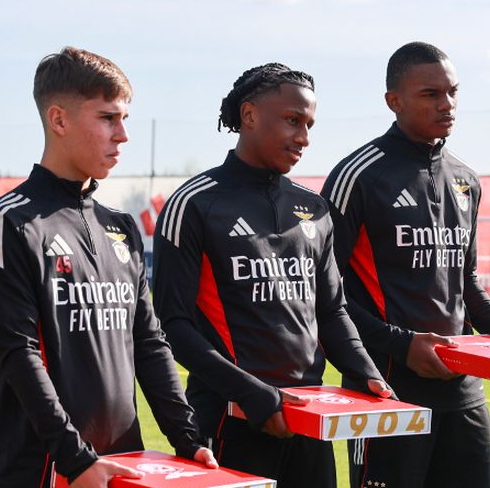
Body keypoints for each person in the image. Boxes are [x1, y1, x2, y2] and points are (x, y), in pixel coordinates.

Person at [0, 47, 217, 487]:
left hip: (122, 467)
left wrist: (188, 436)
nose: (122, 135)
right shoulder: (9, 223)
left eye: (125, 119)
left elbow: (149, 343)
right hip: (48, 469)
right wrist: (75, 459)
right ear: (59, 120)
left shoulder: (119, 227)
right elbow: (19, 355)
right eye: (107, 118)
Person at [152, 63, 391, 488]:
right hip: (230, 417)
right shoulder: (194, 203)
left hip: (308, 416)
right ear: (249, 115)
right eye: (292, 120)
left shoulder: (313, 208)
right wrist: (251, 394)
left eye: (309, 124)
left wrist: (367, 372)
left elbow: (332, 311)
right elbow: (173, 325)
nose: (303, 137)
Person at [321, 42, 490, 488]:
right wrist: (402, 345)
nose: (447, 104)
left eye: (453, 92)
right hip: (386, 390)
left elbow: (467, 284)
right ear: (393, 101)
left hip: (463, 387)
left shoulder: (466, 180)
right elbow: (325, 295)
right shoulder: (358, 176)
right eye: (431, 94)